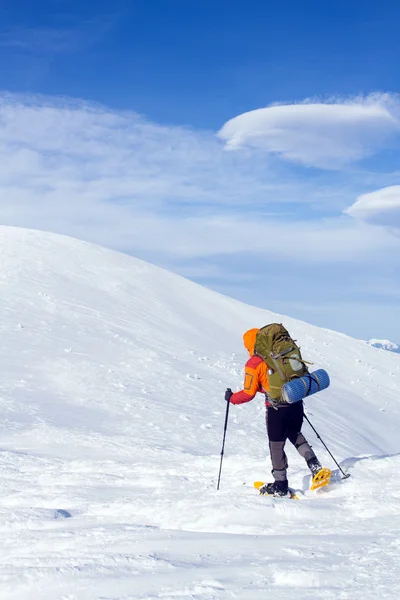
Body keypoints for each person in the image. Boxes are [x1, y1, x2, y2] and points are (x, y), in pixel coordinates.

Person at [226, 328, 323, 496]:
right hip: (295, 400)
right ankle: (314, 465)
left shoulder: (255, 363)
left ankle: (280, 484)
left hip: (277, 408)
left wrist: (231, 398)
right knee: (294, 433)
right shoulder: (280, 354)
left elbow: (248, 393)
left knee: (276, 445)